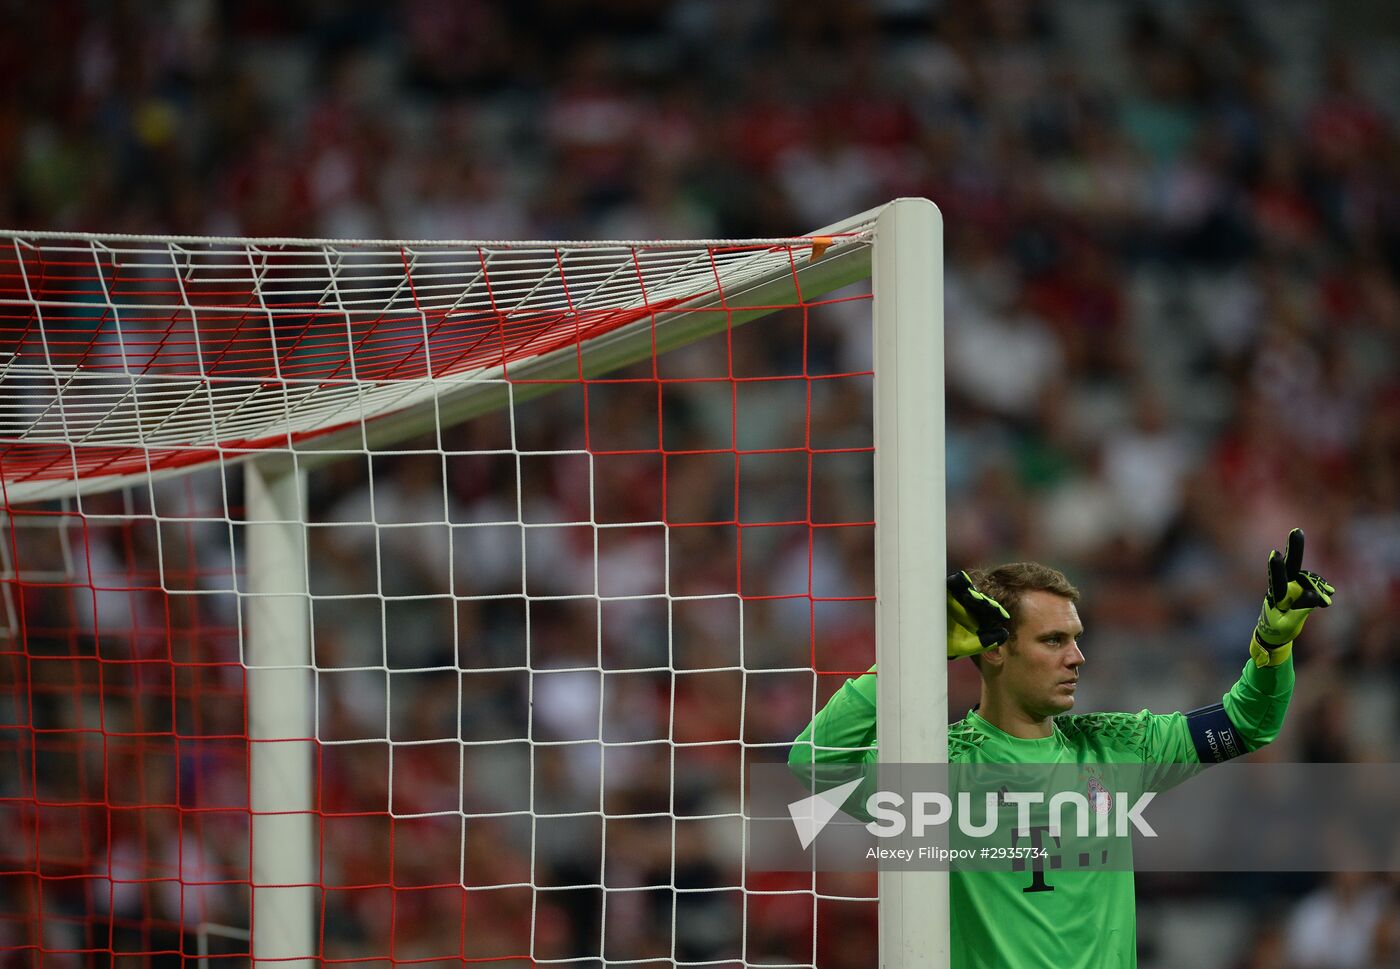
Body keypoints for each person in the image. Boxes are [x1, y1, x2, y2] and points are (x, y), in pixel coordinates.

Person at [789, 529, 1335, 969]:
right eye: (1053, 641)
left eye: (1075, 639)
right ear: (995, 651)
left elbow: (1247, 723)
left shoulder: (1117, 747)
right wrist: (913, 655)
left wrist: (1273, 643)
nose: (1077, 657)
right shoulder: (946, 767)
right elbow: (815, 762)